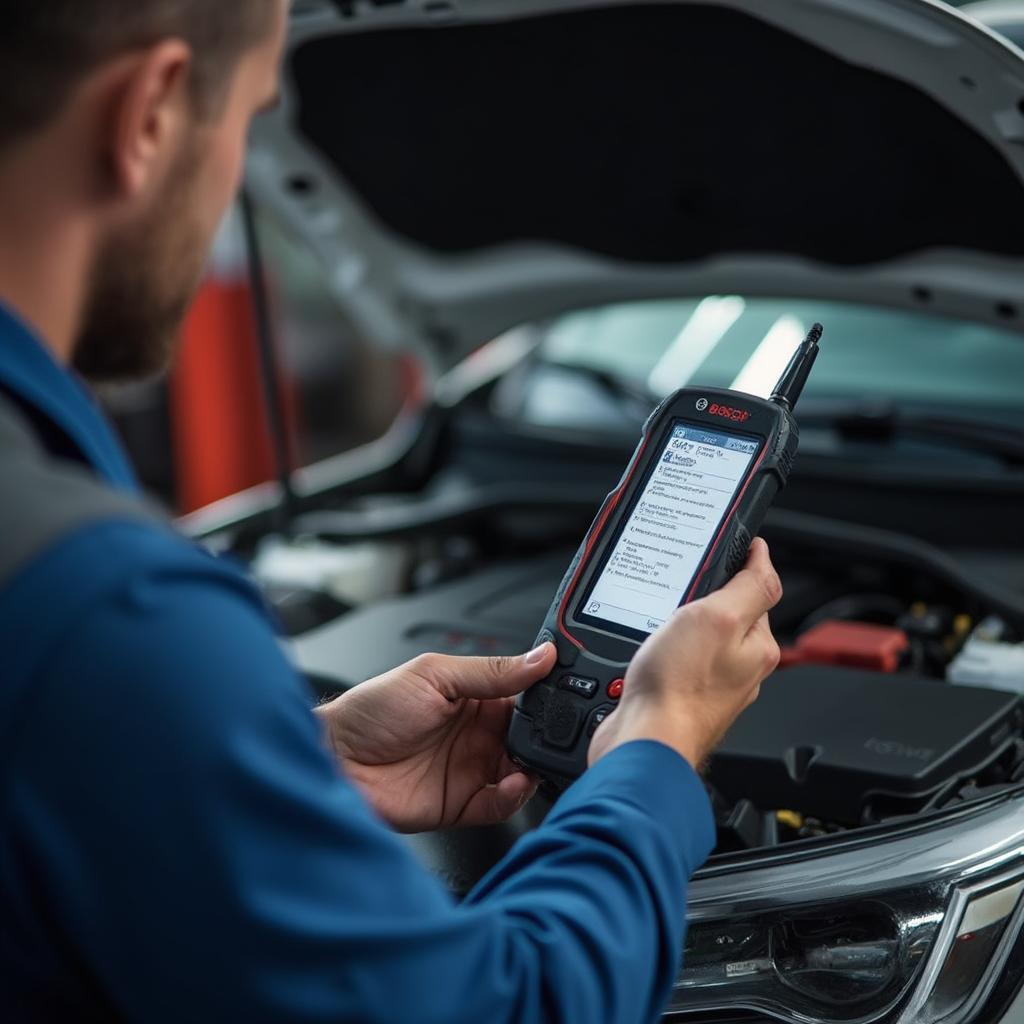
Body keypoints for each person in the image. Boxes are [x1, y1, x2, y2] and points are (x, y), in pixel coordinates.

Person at [0, 2, 783, 1022]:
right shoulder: (103, 616)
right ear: (147, 112)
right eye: (244, 119)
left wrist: (292, 765)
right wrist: (655, 752)